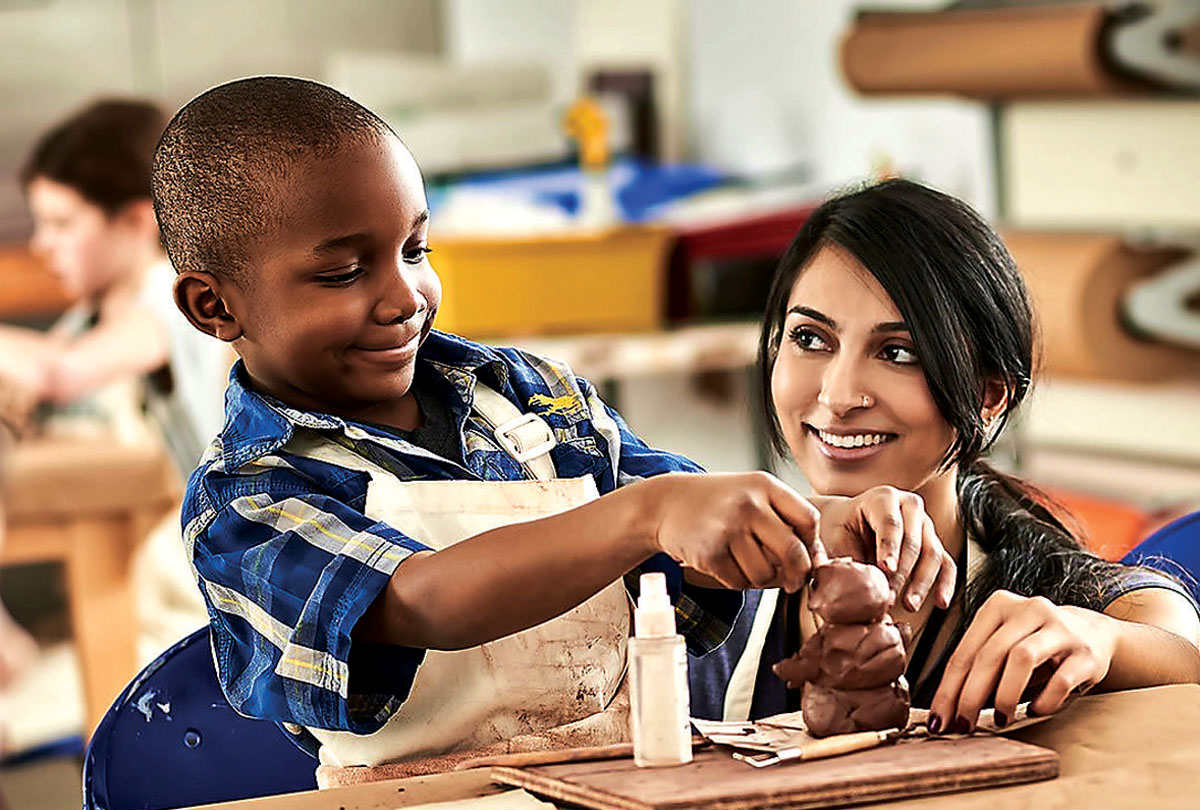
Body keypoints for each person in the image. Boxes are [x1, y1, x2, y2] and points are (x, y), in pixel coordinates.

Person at [153, 77, 955, 768]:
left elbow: (685, 545)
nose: (404, 297)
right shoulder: (246, 500)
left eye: (416, 248)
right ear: (214, 305)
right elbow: (420, 603)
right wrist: (647, 513)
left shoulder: (529, 395)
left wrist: (821, 523)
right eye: (341, 272)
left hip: (628, 788)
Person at [691, 179, 1200, 733]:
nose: (838, 396)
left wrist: (1108, 639)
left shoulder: (1046, 598)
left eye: (897, 352)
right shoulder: (706, 576)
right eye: (811, 339)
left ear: (988, 396)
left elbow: (1176, 642)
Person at [0, 98, 230, 477]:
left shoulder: (174, 299)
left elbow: (57, 373)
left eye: (61, 224)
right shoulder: (86, 318)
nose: (40, 245)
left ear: (137, 220)